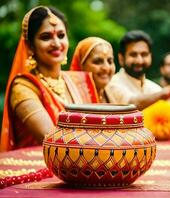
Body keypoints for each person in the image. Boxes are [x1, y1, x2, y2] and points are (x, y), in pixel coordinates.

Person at [0, 6, 98, 152]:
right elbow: (51, 139)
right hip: (37, 169)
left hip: (86, 162)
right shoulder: (23, 87)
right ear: (30, 46)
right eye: (46, 37)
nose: (57, 43)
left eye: (61, 35)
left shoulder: (77, 81)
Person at [106, 30, 170, 109]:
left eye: (144, 54)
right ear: (121, 58)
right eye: (133, 55)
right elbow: (132, 105)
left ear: (150, 56)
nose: (139, 61)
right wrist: (164, 93)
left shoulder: (155, 89)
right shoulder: (112, 84)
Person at [70, 37, 127, 103]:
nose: (106, 68)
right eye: (97, 62)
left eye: (110, 61)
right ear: (81, 65)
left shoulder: (113, 93)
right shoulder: (71, 97)